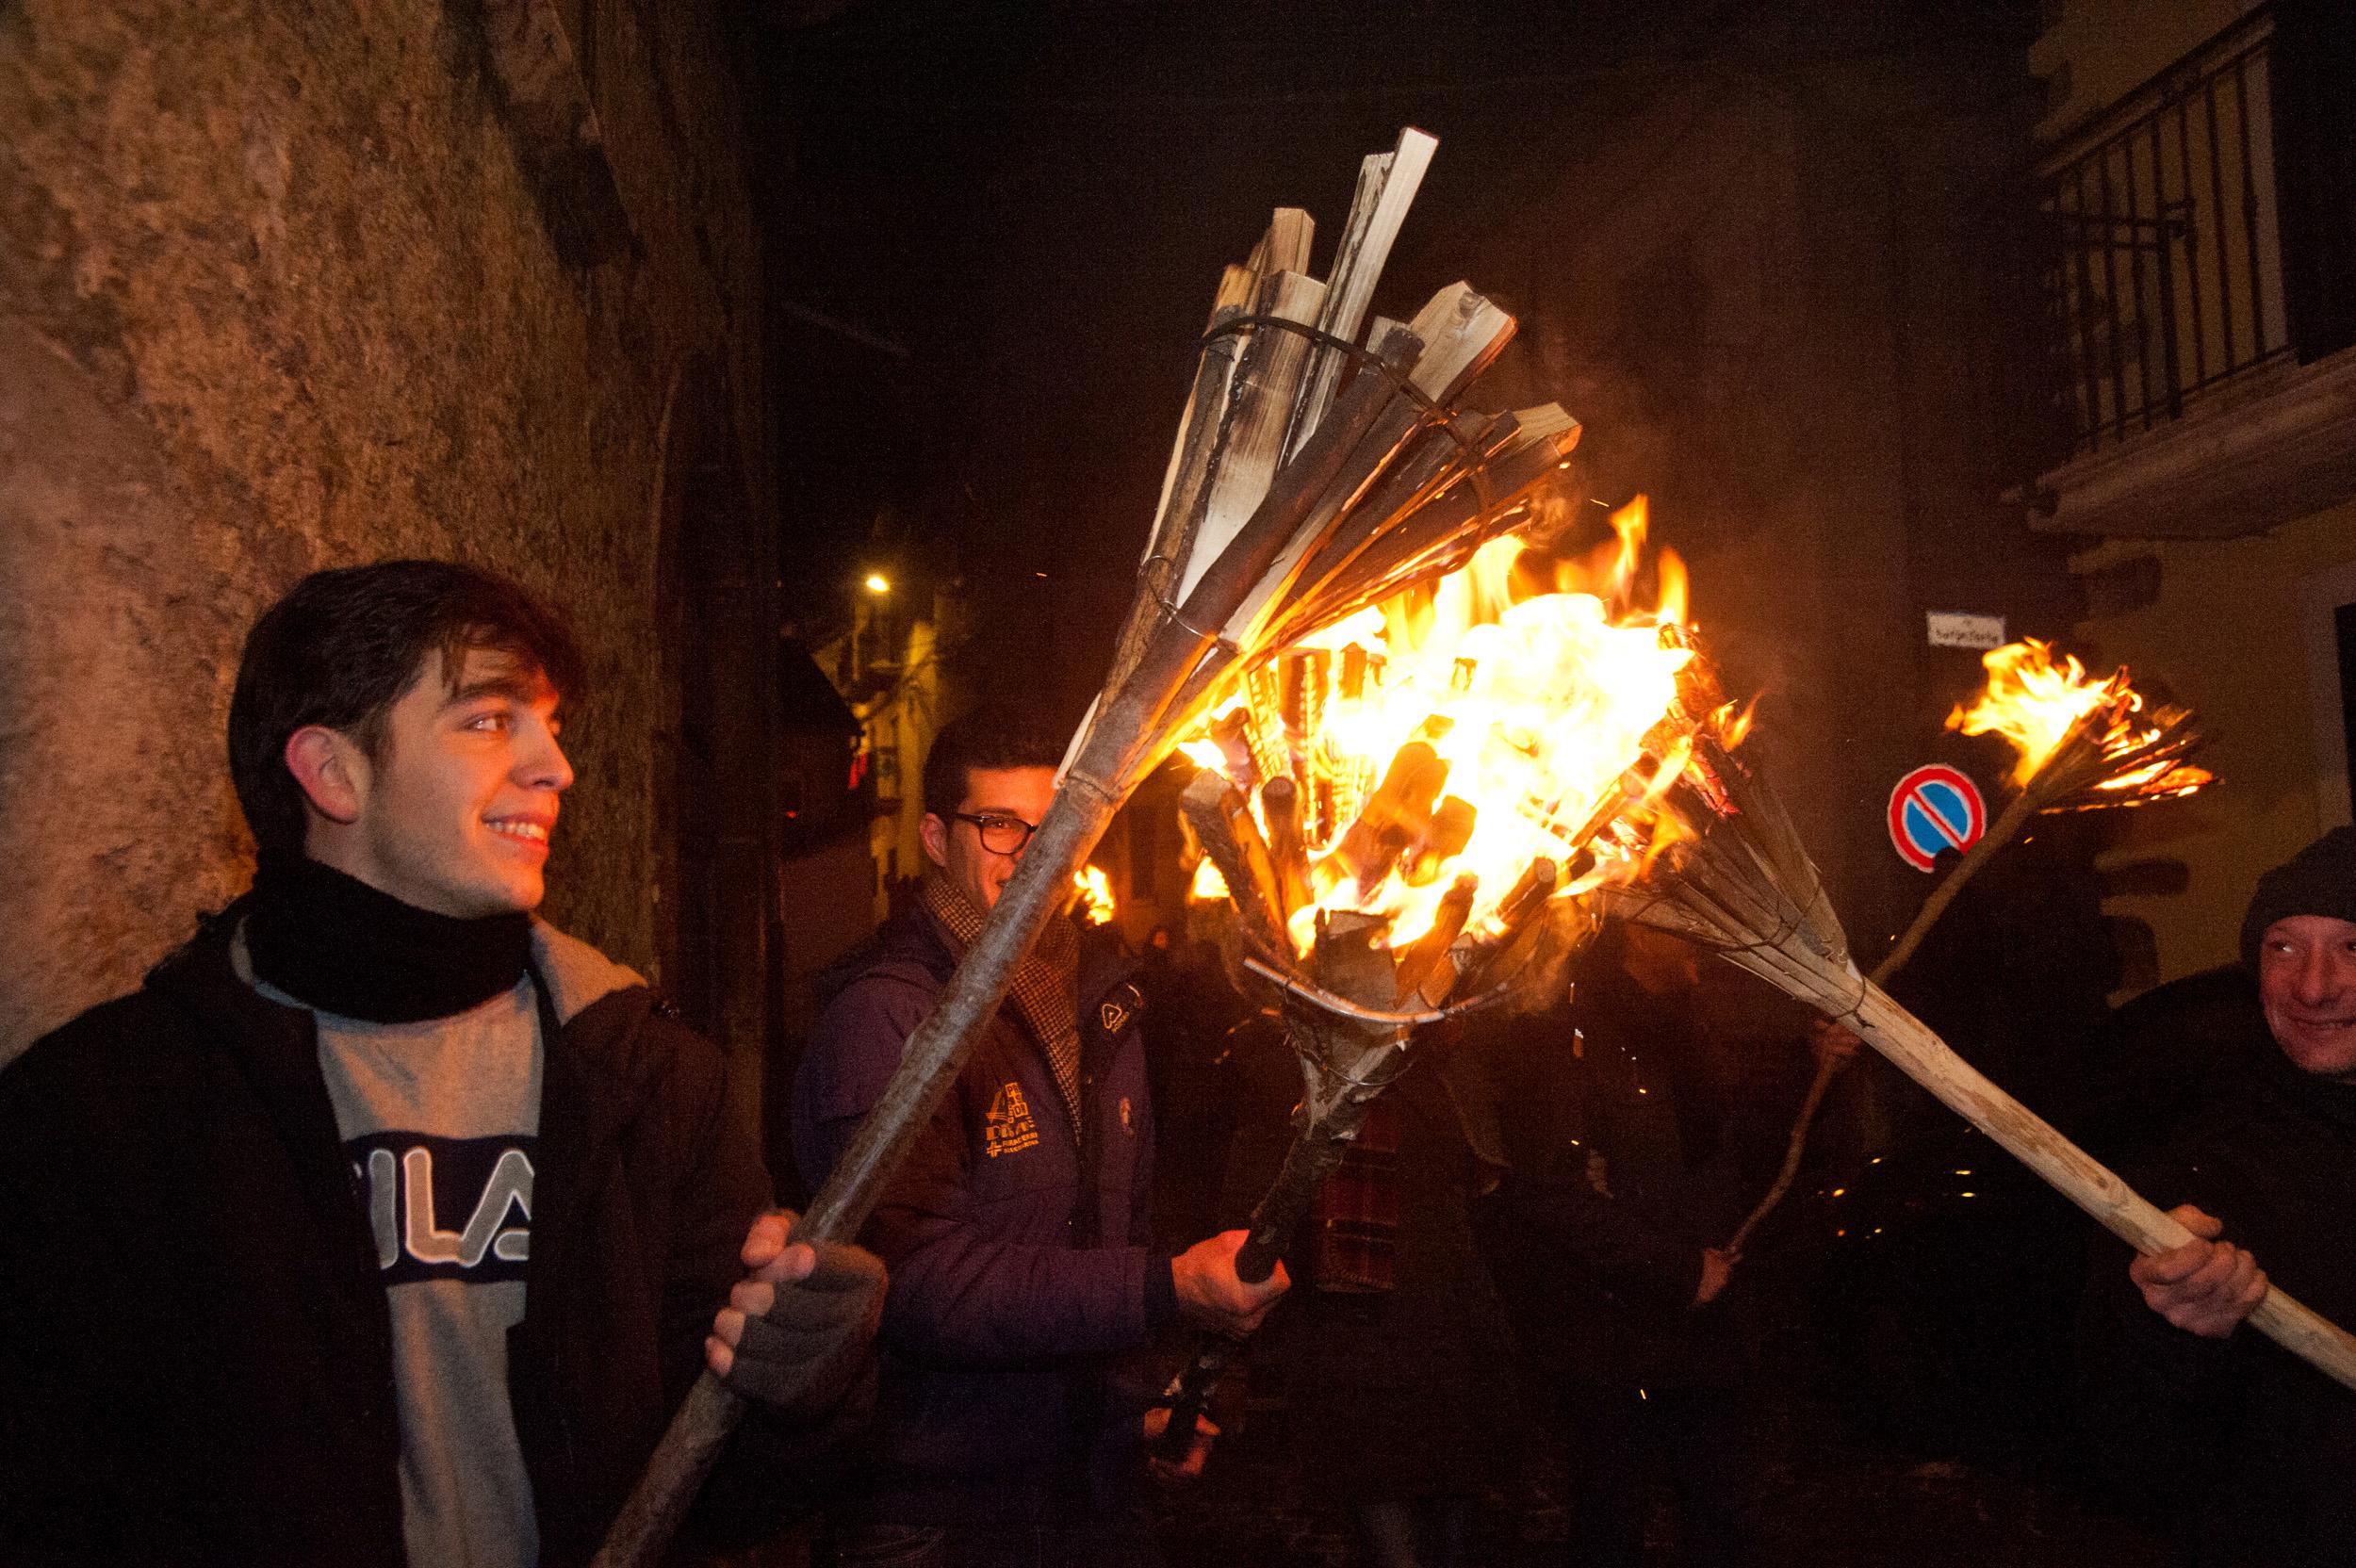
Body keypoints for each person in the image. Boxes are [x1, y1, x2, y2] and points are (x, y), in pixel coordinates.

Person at [0, 561, 884, 1568]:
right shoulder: (103, 1115)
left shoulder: (649, 1084)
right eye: (488, 719)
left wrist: (807, 1387)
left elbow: (722, 1493)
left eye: (548, 724)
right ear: (333, 773)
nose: (557, 766)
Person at [792, 704, 1288, 1565]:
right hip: (938, 1510)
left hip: (1086, 1493)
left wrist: (1132, 1407)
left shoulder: (1103, 1004)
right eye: (999, 827)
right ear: (937, 839)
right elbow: (914, 1281)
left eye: (1051, 828)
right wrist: (1163, 1288)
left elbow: (1099, 1239)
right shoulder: (887, 1020)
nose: (1032, 855)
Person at [2078, 825, 2356, 1565]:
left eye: (2352, 947)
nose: (2315, 986)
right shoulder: (2204, 1178)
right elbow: (2127, 1459)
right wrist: (2168, 1330)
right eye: (2283, 947)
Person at [1480, 919, 1790, 1568]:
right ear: (1637, 936)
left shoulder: (1687, 1028)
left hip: (1702, 1336)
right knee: (1611, 1522)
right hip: (1613, 1343)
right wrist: (1677, 1271)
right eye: (1678, 921)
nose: (1699, 934)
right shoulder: (1565, 1037)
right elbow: (1551, 1193)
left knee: (1720, 1520)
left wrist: (1821, 1070)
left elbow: (1728, 1153)